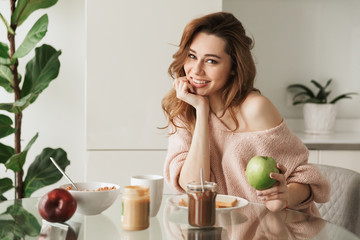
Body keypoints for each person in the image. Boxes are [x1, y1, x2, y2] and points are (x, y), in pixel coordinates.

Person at [161, 12, 330, 215]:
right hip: (217, 231)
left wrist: (285, 196)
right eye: (192, 56)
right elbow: (194, 187)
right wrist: (201, 109)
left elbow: (304, 177)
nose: (196, 70)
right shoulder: (185, 109)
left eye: (211, 61)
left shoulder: (255, 108)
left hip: (277, 230)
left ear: (233, 66)